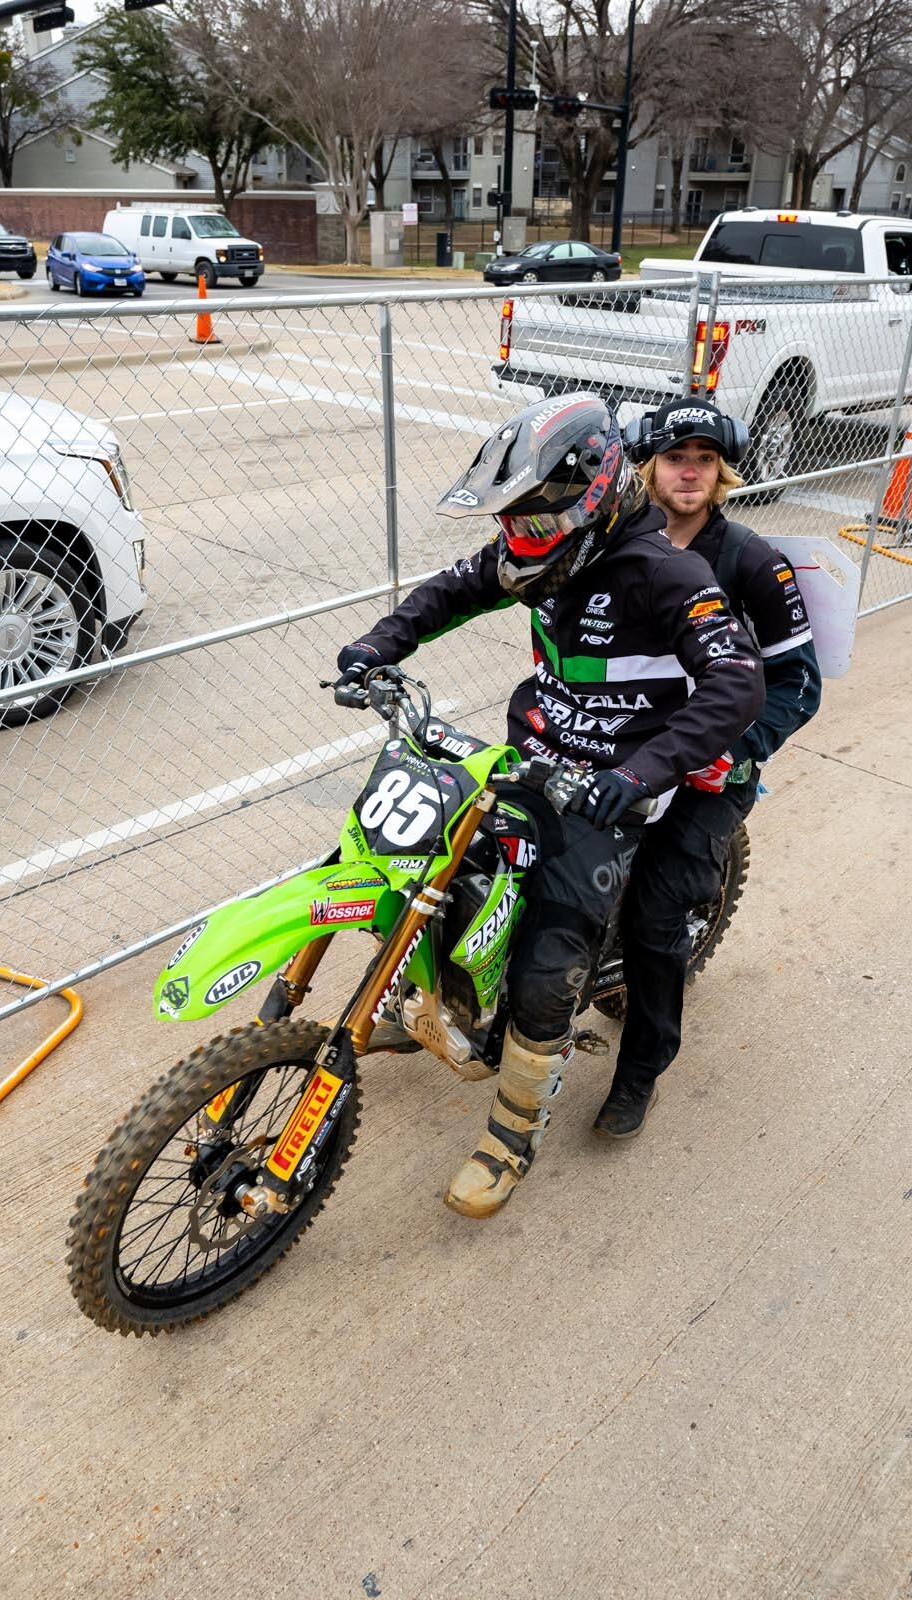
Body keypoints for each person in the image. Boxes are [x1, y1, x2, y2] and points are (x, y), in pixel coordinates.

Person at [337, 394, 764, 1218]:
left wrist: (639, 775)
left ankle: (513, 1129)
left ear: (595, 494)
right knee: (424, 871)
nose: (517, 539)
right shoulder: (541, 551)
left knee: (546, 963)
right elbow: (453, 590)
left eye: (534, 520)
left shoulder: (665, 573)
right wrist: (373, 649)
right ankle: (421, 1000)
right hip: (529, 756)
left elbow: (737, 680)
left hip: (612, 785)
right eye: (510, 521)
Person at [594, 400, 823, 1139]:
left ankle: (640, 1070)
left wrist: (743, 749)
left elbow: (799, 683)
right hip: (623, 743)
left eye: (702, 458)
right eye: (673, 457)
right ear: (647, 468)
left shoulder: (751, 559)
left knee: (657, 913)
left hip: (709, 765)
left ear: (721, 471)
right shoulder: (615, 543)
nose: (688, 470)